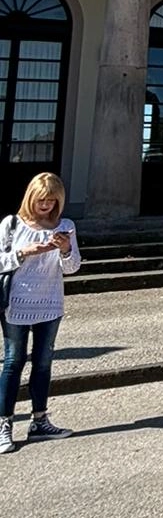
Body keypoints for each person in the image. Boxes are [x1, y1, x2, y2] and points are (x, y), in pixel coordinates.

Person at [0, 172, 81, 454]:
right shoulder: (12, 225)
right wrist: (24, 252)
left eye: (51, 201)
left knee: (44, 363)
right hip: (16, 302)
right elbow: (1, 261)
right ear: (30, 197)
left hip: (50, 302)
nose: (45, 206)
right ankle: (4, 423)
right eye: (41, 200)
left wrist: (66, 249)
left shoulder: (65, 226)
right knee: (13, 361)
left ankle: (39, 420)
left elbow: (71, 268)